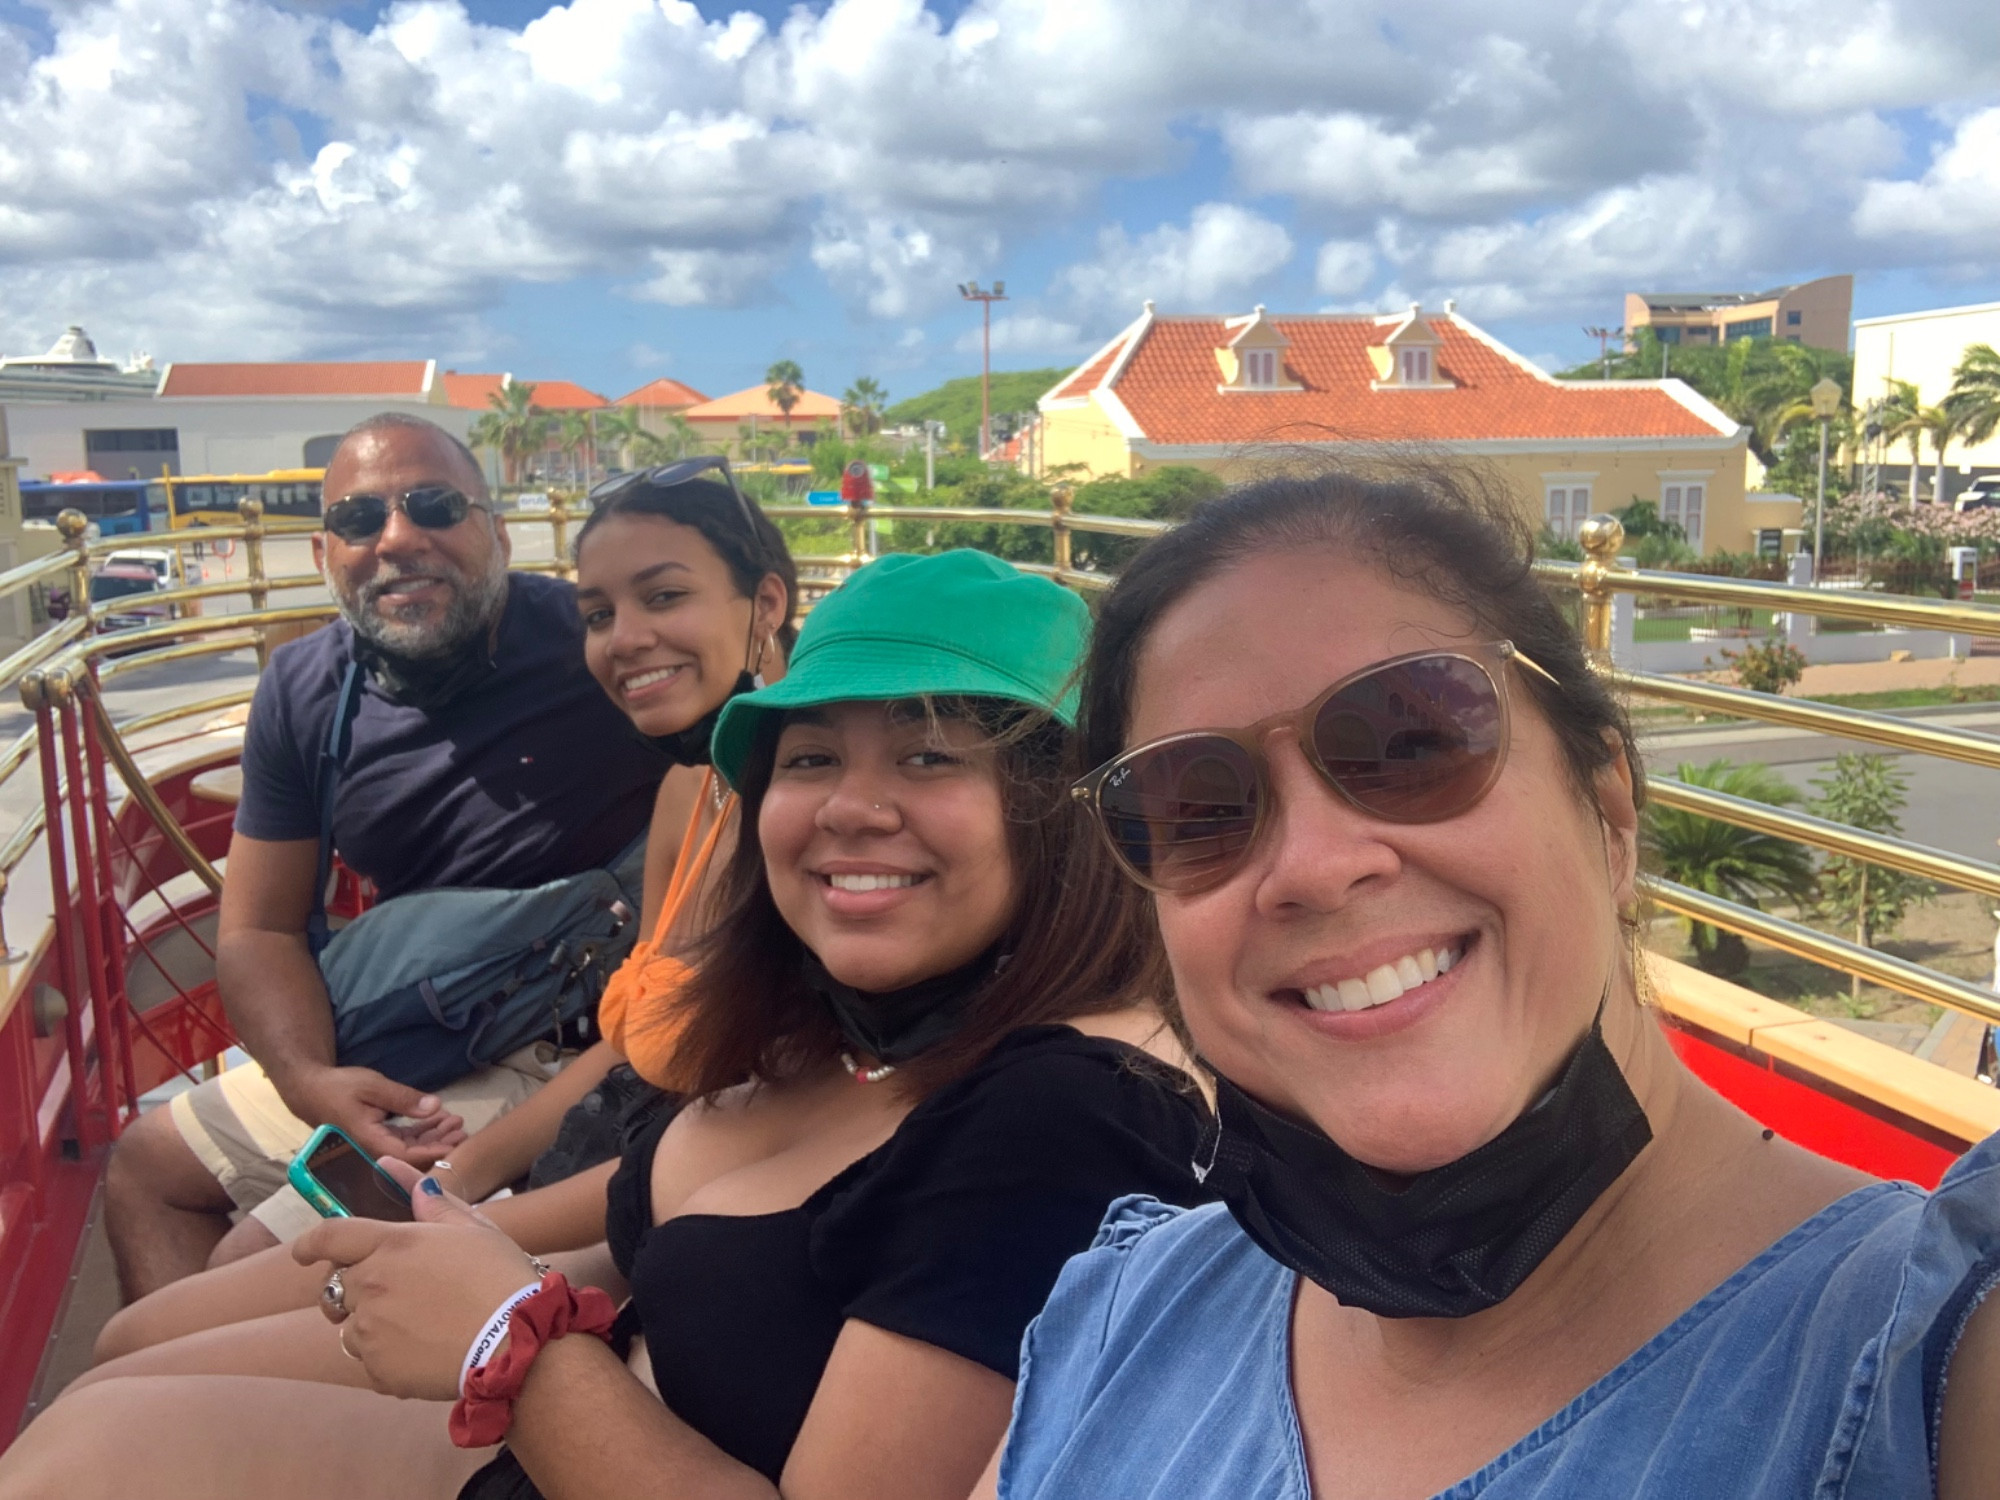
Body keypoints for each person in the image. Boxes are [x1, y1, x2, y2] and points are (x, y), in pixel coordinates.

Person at [3, 549, 1215, 1500]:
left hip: (581, 1425)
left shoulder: (1065, 1119)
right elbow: (632, 1224)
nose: (850, 809)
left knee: (78, 1456)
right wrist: (444, 1226)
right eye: (807, 759)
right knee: (135, 1344)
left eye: (927, 756)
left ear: (1063, 806)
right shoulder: (853, 1028)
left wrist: (506, 1338)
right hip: (585, 1392)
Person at [993, 470, 2000, 1499]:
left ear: (1609, 812)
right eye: (1197, 808)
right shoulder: (1127, 1315)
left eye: (1410, 744)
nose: (1314, 866)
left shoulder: (1933, 1361)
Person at [89, 456, 800, 1360]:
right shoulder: (691, 791)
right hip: (495, 1074)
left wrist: (460, 1215)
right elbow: (642, 1042)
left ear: (765, 603)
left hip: (637, 1185)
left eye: (664, 597)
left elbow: (726, 1126)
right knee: (152, 1284)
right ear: (322, 551)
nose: (625, 640)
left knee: (169, 1336)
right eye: (599, 615)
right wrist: (443, 1173)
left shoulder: (799, 816)